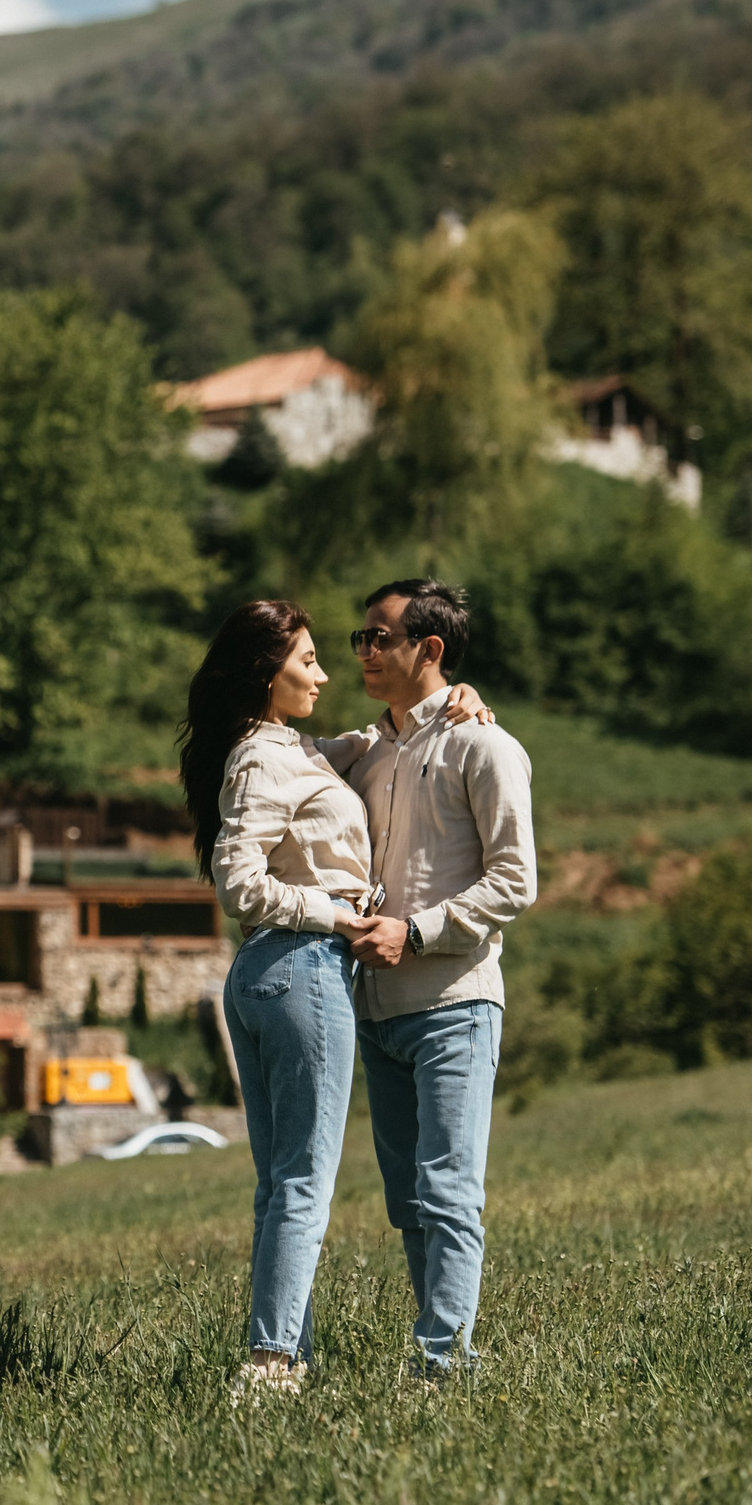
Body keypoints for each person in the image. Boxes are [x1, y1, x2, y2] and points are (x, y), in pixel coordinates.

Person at [178, 599, 493, 1397]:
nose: (324, 673)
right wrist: (334, 912)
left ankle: (290, 1352)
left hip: (266, 976)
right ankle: (272, 1362)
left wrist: (462, 699)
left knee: (282, 1179)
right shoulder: (262, 758)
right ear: (266, 672)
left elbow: (392, 735)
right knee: (304, 1179)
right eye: (309, 660)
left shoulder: (302, 751)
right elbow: (236, 882)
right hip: (301, 967)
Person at [337, 579, 537, 1380]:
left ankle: (444, 1362)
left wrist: (416, 929)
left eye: (379, 636)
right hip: (377, 1010)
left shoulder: (484, 746)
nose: (365, 650)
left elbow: (516, 881)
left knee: (450, 1190)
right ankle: (437, 1350)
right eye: (359, 637)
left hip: (456, 1002)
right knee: (408, 1202)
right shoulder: (365, 751)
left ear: (431, 650)